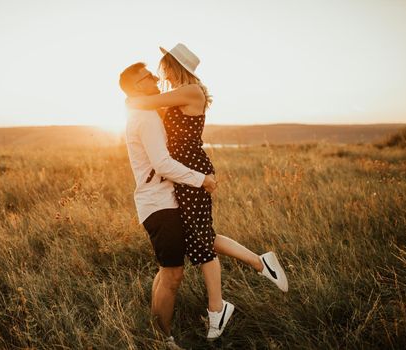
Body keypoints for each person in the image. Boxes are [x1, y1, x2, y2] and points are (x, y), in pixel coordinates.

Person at [126, 43, 289, 340]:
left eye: (163, 68)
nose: (161, 74)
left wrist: (134, 97)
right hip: (185, 176)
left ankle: (218, 309)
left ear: (175, 66)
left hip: (193, 173)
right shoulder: (179, 93)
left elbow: (144, 104)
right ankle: (258, 262)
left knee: (200, 242)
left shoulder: (191, 91)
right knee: (203, 236)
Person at [119, 62, 217, 347]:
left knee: (166, 270)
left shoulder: (144, 111)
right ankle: (163, 339)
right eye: (147, 76)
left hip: (159, 201)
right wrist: (202, 180)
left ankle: (156, 327)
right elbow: (162, 164)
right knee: (173, 275)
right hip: (159, 204)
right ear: (138, 86)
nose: (154, 77)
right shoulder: (145, 118)